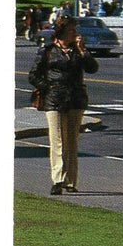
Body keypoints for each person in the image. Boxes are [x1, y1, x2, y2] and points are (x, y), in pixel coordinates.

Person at [29, 14, 98, 195]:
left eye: (75, 30)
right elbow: (33, 75)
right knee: (57, 139)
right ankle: (58, 179)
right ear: (62, 32)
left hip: (75, 98)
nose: (74, 33)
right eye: (71, 30)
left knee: (72, 141)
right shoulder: (48, 50)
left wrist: (83, 52)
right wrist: (48, 87)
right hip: (55, 99)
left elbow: (92, 68)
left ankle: (70, 181)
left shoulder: (77, 51)